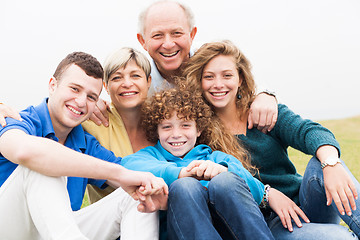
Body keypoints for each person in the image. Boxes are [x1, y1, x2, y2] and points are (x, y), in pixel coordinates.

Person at [183, 40, 360, 239]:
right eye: (209, 77)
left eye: (227, 75)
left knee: (323, 163)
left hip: (306, 203)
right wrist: (267, 195)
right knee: (339, 236)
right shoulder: (197, 131)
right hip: (268, 223)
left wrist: (331, 163)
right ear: (199, 81)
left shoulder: (263, 112)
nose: (218, 84)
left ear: (240, 79)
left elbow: (309, 132)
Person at [0, 52, 168, 240]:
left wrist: (172, 175)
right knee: (41, 163)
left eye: (91, 97)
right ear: (52, 85)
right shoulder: (16, 120)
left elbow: (128, 171)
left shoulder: (85, 143)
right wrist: (119, 174)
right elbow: (23, 151)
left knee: (135, 197)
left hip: (59, 232)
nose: (81, 102)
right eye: (74, 89)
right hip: (9, 229)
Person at [121, 87, 308, 240]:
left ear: (199, 129)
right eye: (167, 127)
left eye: (185, 125)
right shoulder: (150, 157)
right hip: (185, 232)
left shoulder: (216, 157)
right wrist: (181, 173)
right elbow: (127, 167)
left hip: (230, 231)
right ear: (157, 130)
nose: (176, 134)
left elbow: (255, 189)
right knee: (185, 186)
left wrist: (222, 171)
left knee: (226, 180)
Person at [91, 0, 279, 135]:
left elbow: (240, 79)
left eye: (177, 33)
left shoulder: (211, 59)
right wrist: (95, 102)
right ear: (142, 40)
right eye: (157, 36)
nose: (168, 44)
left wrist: (265, 94)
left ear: (192, 34)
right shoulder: (141, 79)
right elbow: (121, 97)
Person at [82, 47, 155, 203]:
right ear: (106, 86)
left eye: (135, 76)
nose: (127, 84)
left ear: (148, 81)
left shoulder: (164, 121)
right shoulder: (91, 123)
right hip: (111, 222)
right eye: (117, 78)